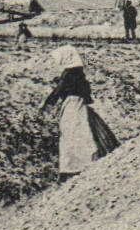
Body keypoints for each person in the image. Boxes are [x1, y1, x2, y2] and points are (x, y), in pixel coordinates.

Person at [40, 46, 120, 180]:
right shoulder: (78, 73)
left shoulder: (69, 74)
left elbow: (59, 91)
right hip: (78, 105)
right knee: (82, 132)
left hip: (72, 106)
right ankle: (82, 164)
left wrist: (48, 104)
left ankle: (73, 167)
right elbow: (86, 94)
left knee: (72, 134)